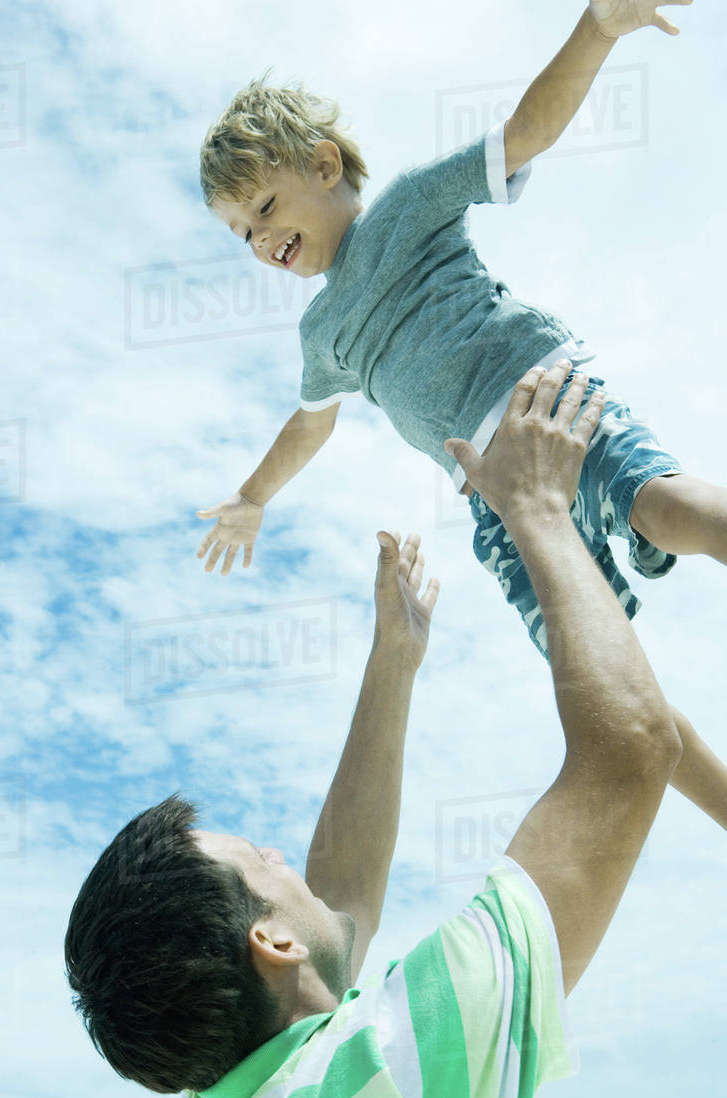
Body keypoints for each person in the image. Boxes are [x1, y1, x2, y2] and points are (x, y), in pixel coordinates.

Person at [66, 363, 719, 1098]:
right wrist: (537, 509)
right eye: (260, 861)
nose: (280, 853)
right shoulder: (408, 1065)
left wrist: (394, 661)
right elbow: (629, 749)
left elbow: (337, 916)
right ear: (269, 941)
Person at [194, 0, 727, 852]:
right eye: (238, 233)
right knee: (600, 681)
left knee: (660, 507)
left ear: (323, 165)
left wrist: (596, 27)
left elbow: (521, 133)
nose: (256, 238)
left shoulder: (408, 208)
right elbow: (308, 426)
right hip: (494, 498)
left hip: (539, 405)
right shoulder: (319, 334)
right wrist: (254, 496)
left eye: (261, 208)